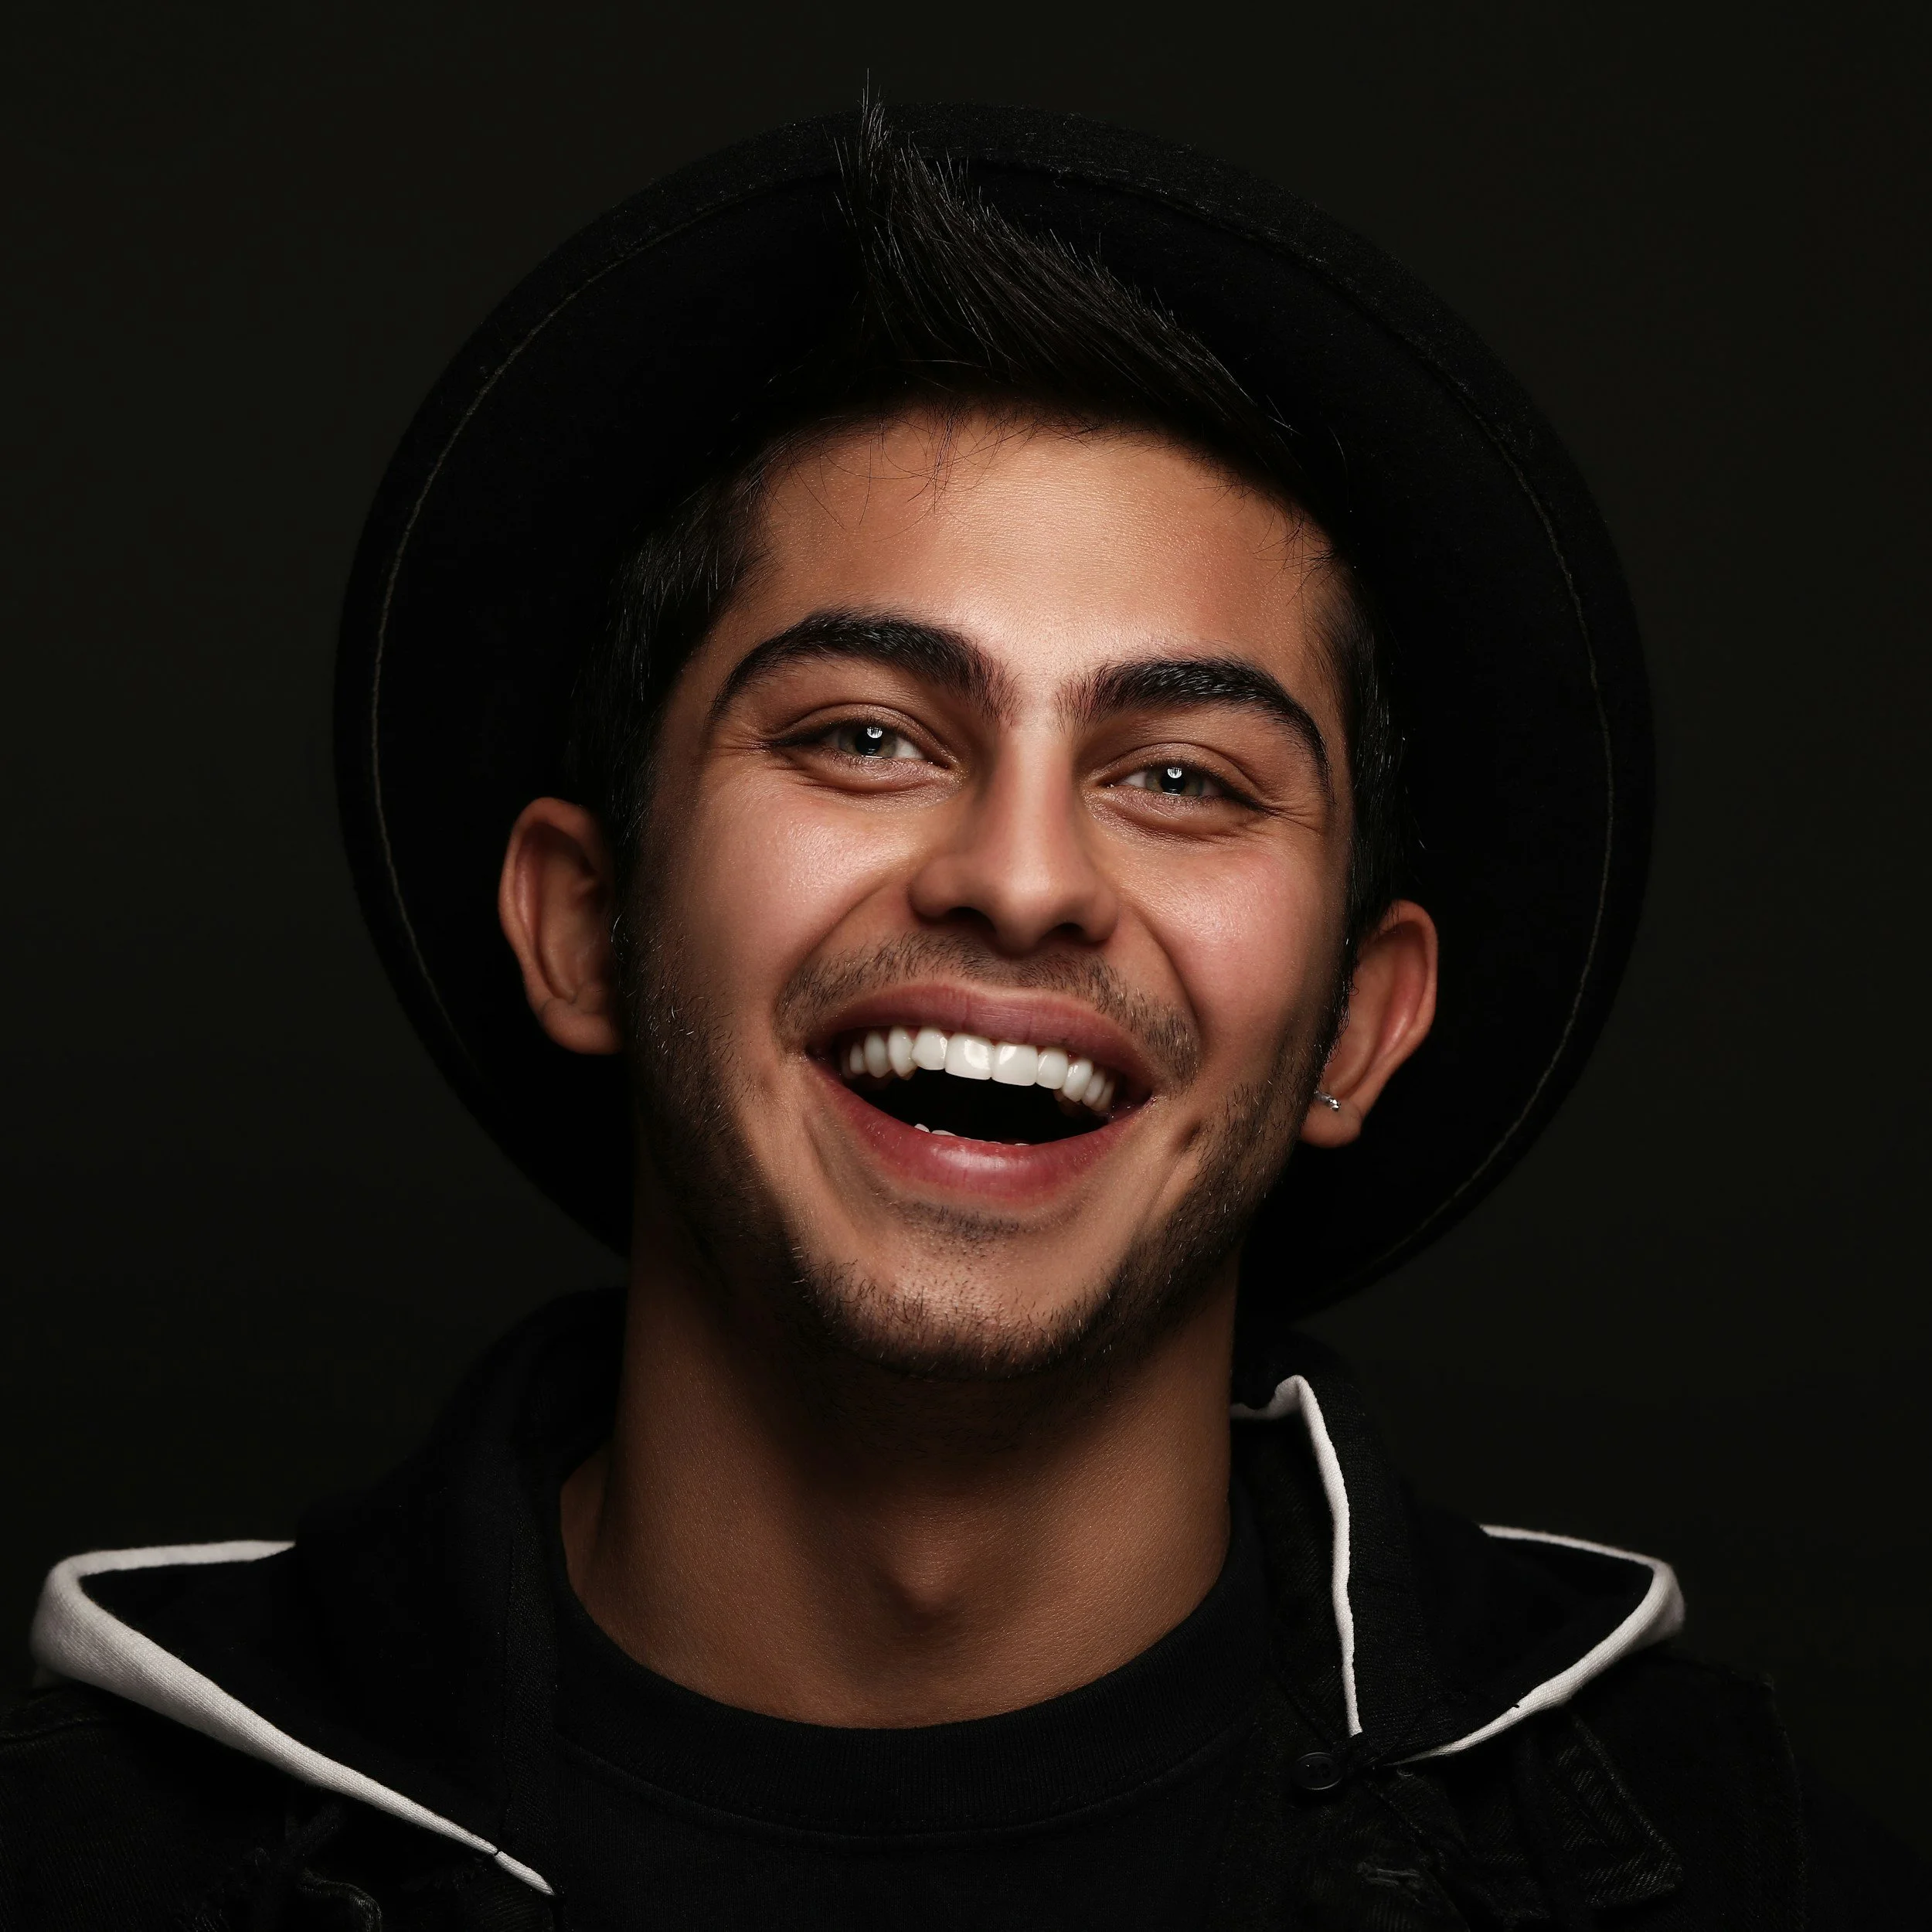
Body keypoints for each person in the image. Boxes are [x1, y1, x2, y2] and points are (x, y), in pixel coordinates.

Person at [3, 105, 1921, 1931]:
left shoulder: (1739, 1868)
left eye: (1181, 776)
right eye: (863, 733)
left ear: (1356, 1020)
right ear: (586, 922)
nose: (1019, 876)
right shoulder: (76, 1858)